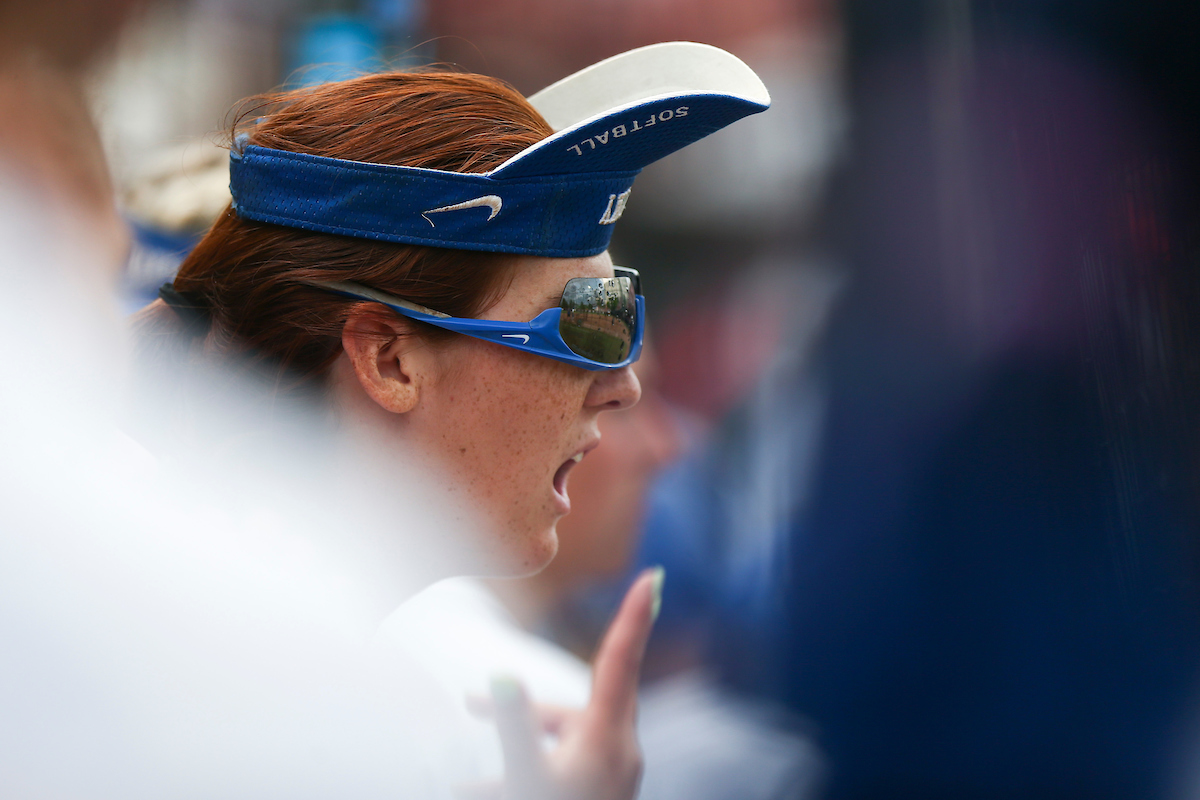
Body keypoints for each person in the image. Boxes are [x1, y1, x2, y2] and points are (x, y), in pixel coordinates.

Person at [131, 42, 771, 798]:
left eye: (619, 309)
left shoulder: (306, 670)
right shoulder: (229, 693)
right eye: (584, 324)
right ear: (390, 359)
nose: (623, 387)